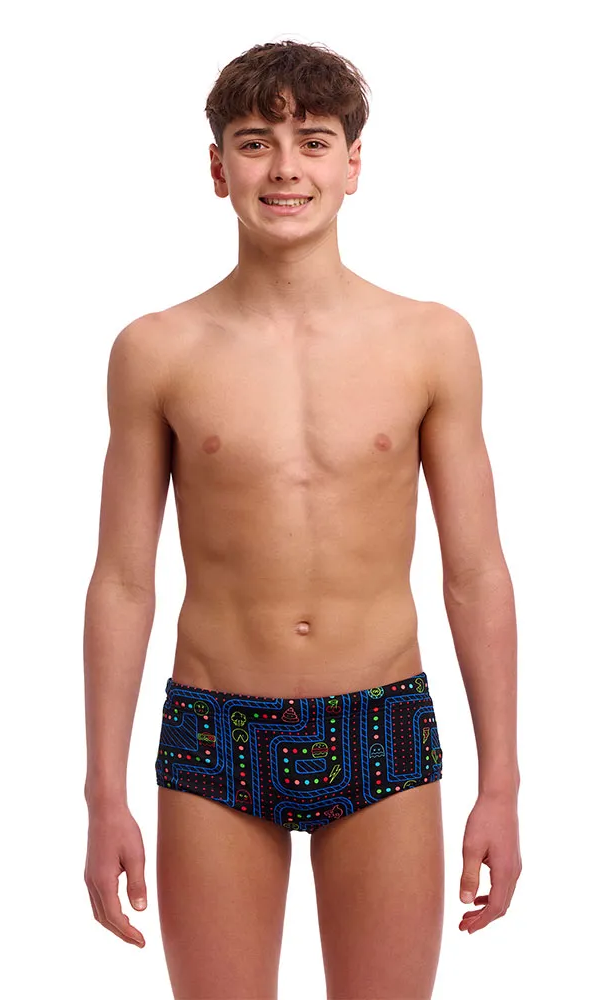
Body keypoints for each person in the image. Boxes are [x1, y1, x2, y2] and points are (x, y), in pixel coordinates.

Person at [83, 38, 521, 999]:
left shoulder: (431, 341)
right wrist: (102, 793)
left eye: (313, 141)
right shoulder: (157, 350)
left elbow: (475, 571)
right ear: (217, 168)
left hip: (383, 725)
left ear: (353, 164)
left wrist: (502, 784)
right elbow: (121, 579)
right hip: (215, 732)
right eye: (255, 142)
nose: (285, 168)